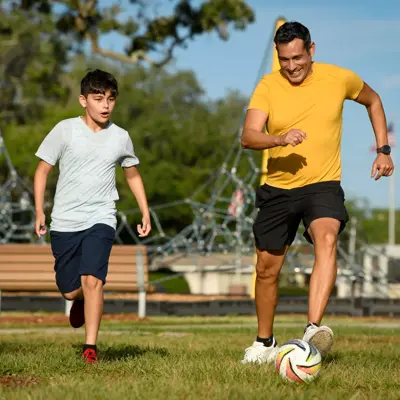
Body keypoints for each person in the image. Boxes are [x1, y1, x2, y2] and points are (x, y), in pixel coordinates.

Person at [240, 21, 394, 364]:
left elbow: (374, 100)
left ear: (311, 50)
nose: (291, 66)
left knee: (327, 238)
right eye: (284, 60)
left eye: (297, 57)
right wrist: (279, 138)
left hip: (323, 184)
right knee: (267, 269)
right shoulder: (268, 85)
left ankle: (312, 329)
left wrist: (384, 149)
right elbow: (248, 136)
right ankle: (264, 342)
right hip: (278, 188)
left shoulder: (339, 77)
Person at [34, 69, 151, 364]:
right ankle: (80, 300)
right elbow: (42, 170)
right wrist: (39, 210)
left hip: (101, 216)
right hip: (64, 221)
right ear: (83, 100)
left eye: (110, 99)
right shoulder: (65, 130)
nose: (105, 105)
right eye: (98, 98)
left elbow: (133, 175)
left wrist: (145, 211)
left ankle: (90, 348)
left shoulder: (121, 137)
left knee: (94, 279)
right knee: (71, 290)